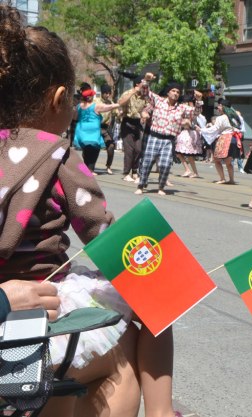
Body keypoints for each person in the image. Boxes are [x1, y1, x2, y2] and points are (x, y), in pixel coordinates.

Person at [0, 6, 140, 416]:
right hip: (31, 327)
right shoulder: (58, 153)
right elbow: (106, 237)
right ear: (60, 98)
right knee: (121, 353)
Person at [136, 82, 199, 195]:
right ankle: (141, 185)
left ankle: (161, 187)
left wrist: (199, 100)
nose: (175, 93)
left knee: (165, 164)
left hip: (169, 140)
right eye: (173, 91)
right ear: (168, 92)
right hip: (154, 137)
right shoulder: (158, 100)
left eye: (178, 92)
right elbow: (145, 92)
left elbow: (196, 113)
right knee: (147, 162)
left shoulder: (181, 108)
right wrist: (146, 81)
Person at [73, 88, 120, 174]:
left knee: (86, 149)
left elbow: (74, 117)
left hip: (81, 131)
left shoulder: (79, 106)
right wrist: (120, 104)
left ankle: (87, 168)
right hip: (93, 133)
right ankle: (90, 170)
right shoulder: (95, 106)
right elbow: (109, 107)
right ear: (90, 97)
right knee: (95, 149)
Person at [117, 78, 152, 183]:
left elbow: (147, 107)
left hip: (138, 123)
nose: (145, 87)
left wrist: (145, 115)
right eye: (143, 85)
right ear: (137, 84)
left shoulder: (145, 96)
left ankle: (135, 171)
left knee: (138, 149)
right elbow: (120, 103)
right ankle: (126, 173)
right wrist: (132, 92)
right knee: (129, 150)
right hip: (127, 122)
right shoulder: (128, 93)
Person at [202, 98, 243, 184]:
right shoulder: (235, 116)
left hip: (225, 139)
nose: (218, 108)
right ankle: (231, 179)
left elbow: (215, 129)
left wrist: (203, 130)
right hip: (234, 139)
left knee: (217, 160)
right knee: (228, 162)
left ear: (224, 107)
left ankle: (222, 178)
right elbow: (240, 128)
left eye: (220, 106)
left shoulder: (221, 118)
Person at [99, 84, 119, 175]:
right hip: (96, 127)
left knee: (111, 146)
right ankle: (88, 166)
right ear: (102, 93)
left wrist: (121, 113)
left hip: (106, 127)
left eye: (109, 93)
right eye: (105, 93)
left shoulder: (111, 102)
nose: (107, 95)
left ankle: (108, 166)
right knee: (92, 147)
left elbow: (116, 112)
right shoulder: (96, 101)